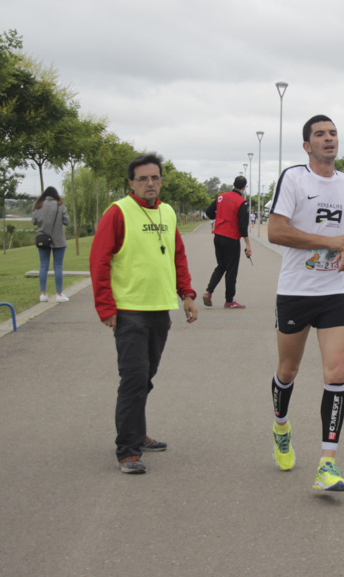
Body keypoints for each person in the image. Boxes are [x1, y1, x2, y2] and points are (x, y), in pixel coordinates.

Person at [89, 153, 199, 475]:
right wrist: (106, 307)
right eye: (143, 179)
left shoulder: (167, 212)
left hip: (159, 311)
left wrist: (187, 294)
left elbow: (177, 256)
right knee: (134, 379)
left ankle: (137, 432)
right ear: (131, 183)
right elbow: (99, 261)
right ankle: (128, 451)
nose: (150, 183)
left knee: (145, 377)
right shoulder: (118, 212)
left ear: (161, 180)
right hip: (129, 312)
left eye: (155, 178)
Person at [267, 115, 344, 492]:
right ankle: (281, 426)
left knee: (335, 372)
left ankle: (327, 464)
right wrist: (329, 243)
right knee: (288, 370)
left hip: (333, 290)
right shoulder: (294, 178)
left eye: (333, 133)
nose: (328, 139)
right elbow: (275, 230)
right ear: (307, 145)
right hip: (296, 290)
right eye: (320, 135)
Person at [203, 176, 252, 309]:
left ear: (233, 184)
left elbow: (208, 212)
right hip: (231, 239)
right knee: (231, 269)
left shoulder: (221, 197)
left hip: (218, 236)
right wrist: (248, 244)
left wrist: (218, 217)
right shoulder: (242, 202)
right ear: (244, 187)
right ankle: (229, 300)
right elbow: (243, 226)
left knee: (221, 265)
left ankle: (209, 291)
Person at [32, 186, 71, 303]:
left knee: (43, 266)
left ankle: (43, 294)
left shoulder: (38, 205)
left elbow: (34, 222)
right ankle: (59, 294)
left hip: (43, 239)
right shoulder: (60, 205)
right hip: (58, 239)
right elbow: (67, 221)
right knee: (58, 266)